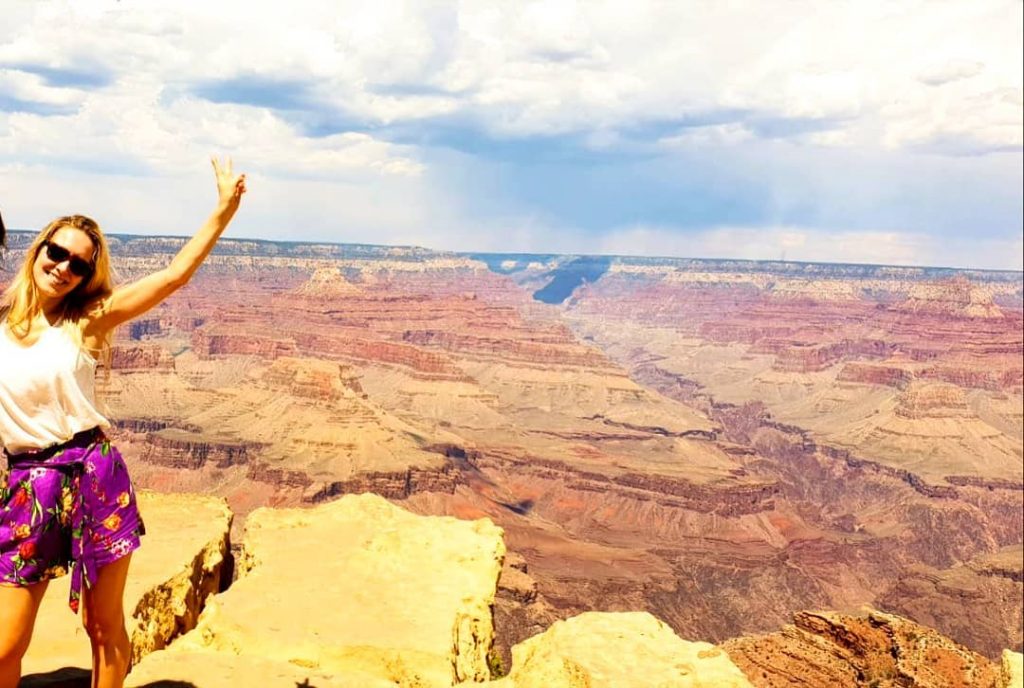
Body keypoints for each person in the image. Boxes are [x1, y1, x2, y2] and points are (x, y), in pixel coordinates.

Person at [0, 158, 246, 688]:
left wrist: (222, 212)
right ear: (38, 249)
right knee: (3, 644)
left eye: (79, 264)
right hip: (27, 486)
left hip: (93, 474)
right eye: (57, 251)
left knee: (102, 625)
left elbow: (173, 276)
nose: (64, 266)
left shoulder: (85, 320)